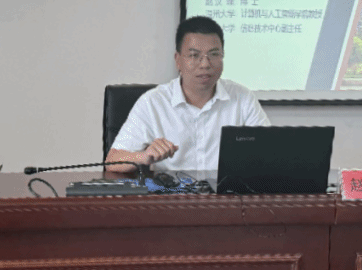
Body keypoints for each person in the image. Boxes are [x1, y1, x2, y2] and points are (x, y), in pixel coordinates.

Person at [105, 16, 270, 173]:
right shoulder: (153, 102)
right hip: (173, 192)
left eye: (214, 54)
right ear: (178, 60)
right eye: (194, 55)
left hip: (225, 192)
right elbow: (112, 161)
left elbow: (269, 152)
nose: (205, 64)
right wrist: (143, 156)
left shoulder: (242, 98)